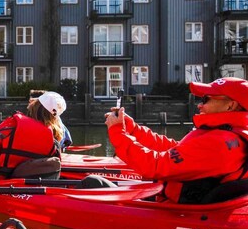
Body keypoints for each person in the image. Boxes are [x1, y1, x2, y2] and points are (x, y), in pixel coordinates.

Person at [105, 77, 248, 203]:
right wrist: (133, 129)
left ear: (231, 105)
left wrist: (118, 133)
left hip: (177, 213)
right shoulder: (226, 135)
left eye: (206, 99)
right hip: (182, 204)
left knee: (92, 182)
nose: (199, 105)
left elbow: (155, 166)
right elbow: (175, 148)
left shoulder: (218, 143)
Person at [0, 91, 64, 178]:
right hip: (35, 186)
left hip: (4, 183)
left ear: (33, 106)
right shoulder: (54, 140)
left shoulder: (12, 124)